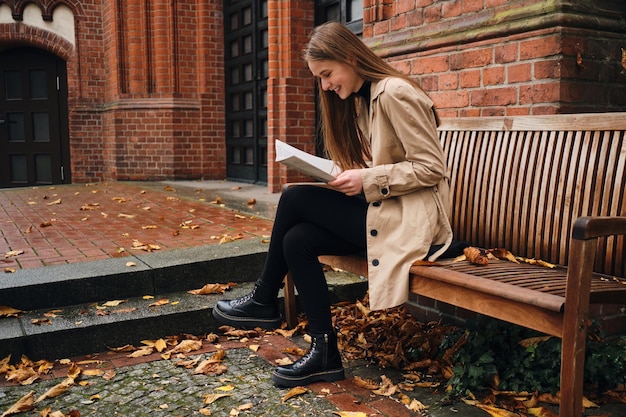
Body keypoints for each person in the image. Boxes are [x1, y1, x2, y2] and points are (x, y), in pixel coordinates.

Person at [212, 21, 453, 388]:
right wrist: (353, 178)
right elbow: (393, 164)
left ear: (350, 57)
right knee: (298, 241)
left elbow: (432, 168)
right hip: (389, 212)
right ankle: (324, 354)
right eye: (319, 78)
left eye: (326, 74)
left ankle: (264, 299)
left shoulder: (394, 93)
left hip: (414, 222)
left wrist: (367, 180)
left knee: (294, 196)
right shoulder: (365, 98)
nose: (324, 85)